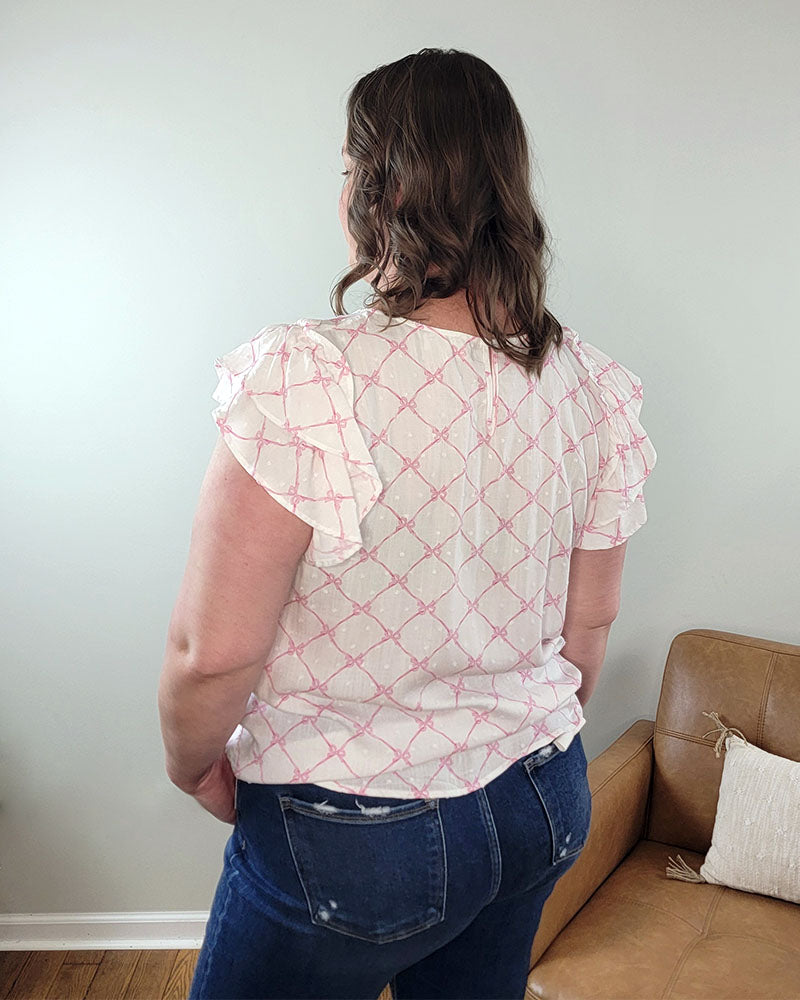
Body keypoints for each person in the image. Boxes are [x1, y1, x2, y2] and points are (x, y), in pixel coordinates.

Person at [159, 46, 658, 1000]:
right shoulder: (592, 389)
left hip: (355, 831)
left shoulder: (309, 380)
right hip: (541, 798)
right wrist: (511, 736)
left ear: (383, 188)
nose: (342, 191)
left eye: (350, 169)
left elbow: (211, 653)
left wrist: (195, 768)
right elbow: (588, 627)